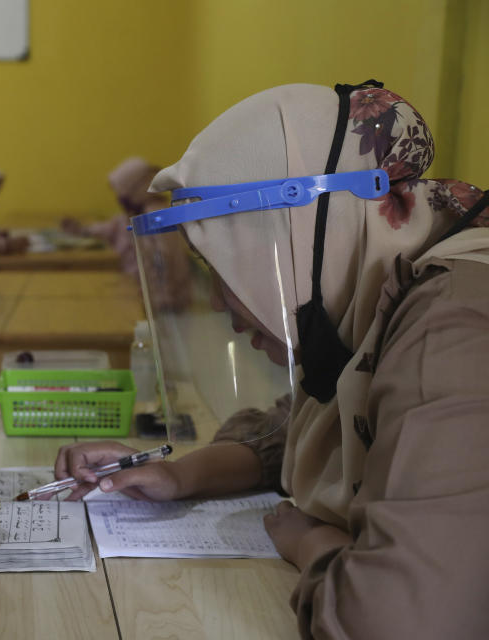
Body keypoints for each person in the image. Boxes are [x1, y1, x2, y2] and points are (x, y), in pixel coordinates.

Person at [51, 82, 489, 639]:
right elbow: (302, 428)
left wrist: (313, 544)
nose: (219, 306)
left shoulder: (453, 328)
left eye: (227, 264)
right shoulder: (384, 298)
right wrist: (176, 476)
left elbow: (394, 622)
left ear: (298, 234)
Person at [61, 157, 191, 309]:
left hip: (166, 301)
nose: (120, 199)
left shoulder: (156, 215)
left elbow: (163, 259)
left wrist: (162, 299)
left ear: (139, 188)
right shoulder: (132, 215)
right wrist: (80, 229)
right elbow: (108, 228)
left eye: (123, 193)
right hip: (142, 292)